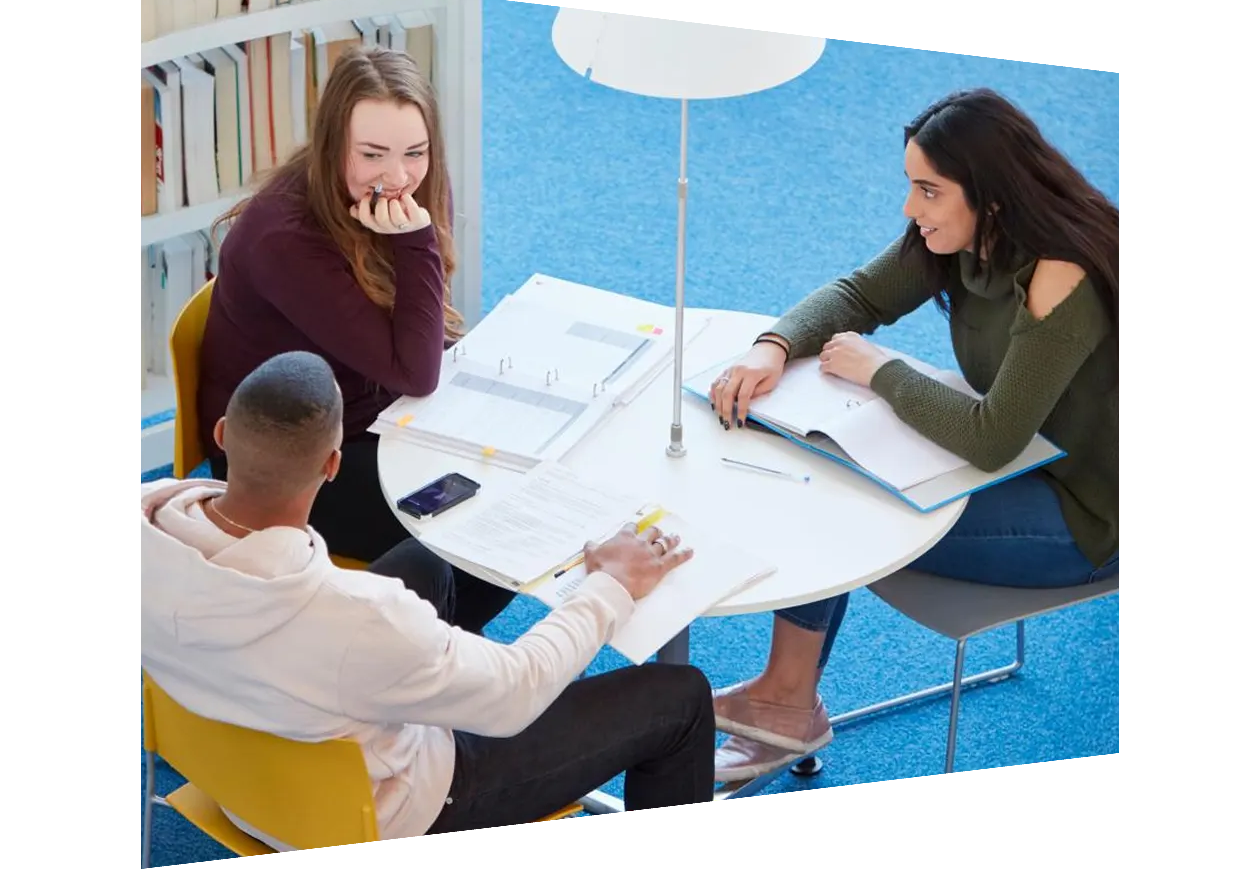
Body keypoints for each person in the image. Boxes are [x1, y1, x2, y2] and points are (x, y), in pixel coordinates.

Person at [706, 87, 1120, 782]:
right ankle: (785, 696)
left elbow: (991, 439)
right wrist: (772, 346)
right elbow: (858, 295)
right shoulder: (961, 237)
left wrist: (883, 371)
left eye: (928, 190)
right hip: (1020, 458)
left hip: (1086, 511)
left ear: (989, 196)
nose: (910, 208)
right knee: (831, 462)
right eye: (911, 186)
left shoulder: (1058, 274)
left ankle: (786, 704)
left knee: (845, 506)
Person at [136, 351, 718, 844]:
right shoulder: (360, 618)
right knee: (679, 697)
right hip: (383, 810)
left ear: (219, 434)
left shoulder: (148, 522)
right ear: (334, 464)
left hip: (240, 769)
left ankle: (443, 670)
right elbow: (518, 691)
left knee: (430, 558)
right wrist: (609, 585)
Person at [197, 43, 468, 570]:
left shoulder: (416, 184)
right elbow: (416, 372)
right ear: (331, 145)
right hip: (287, 458)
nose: (397, 176)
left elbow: (425, 336)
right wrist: (416, 243)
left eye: (416, 151)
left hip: (375, 407)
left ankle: (424, 636)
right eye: (371, 154)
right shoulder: (283, 238)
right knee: (467, 531)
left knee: (514, 490)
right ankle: (408, 642)